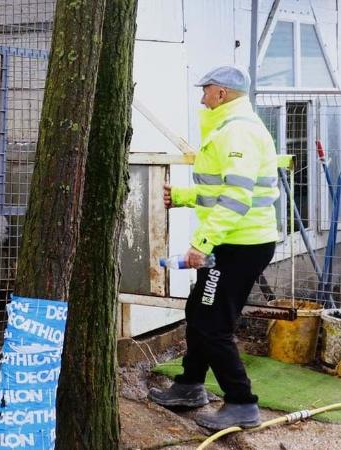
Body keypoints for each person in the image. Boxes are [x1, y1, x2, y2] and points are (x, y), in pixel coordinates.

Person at [147, 65, 280, 430]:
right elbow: (225, 189)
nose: (201, 98)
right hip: (236, 241)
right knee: (200, 311)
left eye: (205, 90)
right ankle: (190, 386)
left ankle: (242, 403)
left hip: (238, 244)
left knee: (213, 324)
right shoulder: (231, 127)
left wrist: (201, 244)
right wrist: (186, 197)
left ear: (221, 93)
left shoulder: (237, 132)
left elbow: (237, 198)